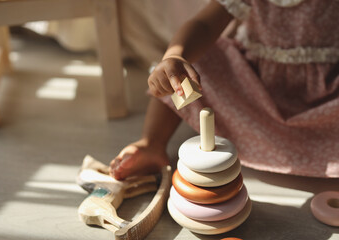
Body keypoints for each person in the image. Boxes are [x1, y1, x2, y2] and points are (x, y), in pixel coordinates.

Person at [109, 0, 339, 180]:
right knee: (191, 63)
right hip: (255, 93)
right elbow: (205, 25)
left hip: (324, 100)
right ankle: (152, 142)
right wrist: (174, 57)